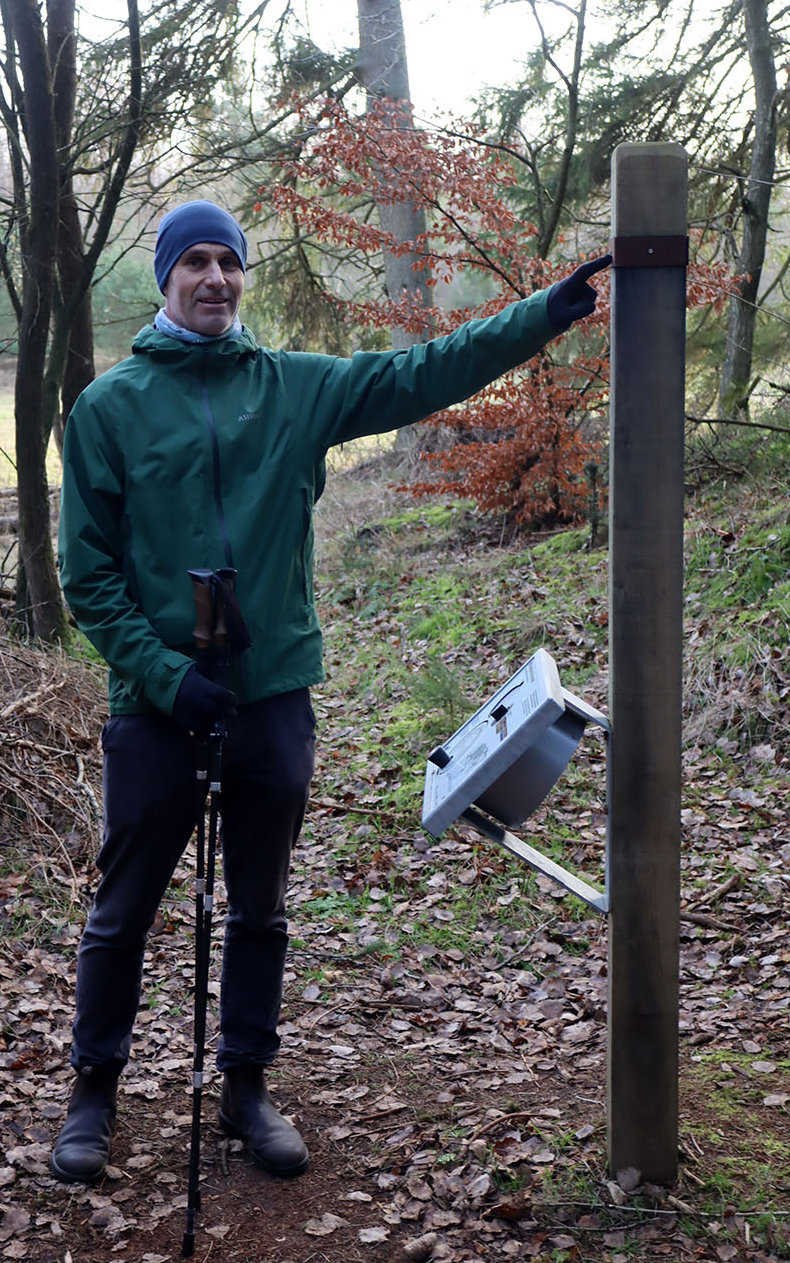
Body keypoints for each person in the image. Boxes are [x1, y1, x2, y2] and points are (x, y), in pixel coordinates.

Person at [53, 198, 610, 1186]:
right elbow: (88, 577)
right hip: (156, 706)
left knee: (259, 905)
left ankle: (246, 1088)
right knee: (123, 907)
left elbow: (418, 373)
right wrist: (161, 673)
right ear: (165, 279)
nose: (216, 278)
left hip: (270, 696)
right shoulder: (108, 410)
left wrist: (543, 313)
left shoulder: (293, 390)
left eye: (230, 262)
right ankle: (93, 1093)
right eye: (197, 263)